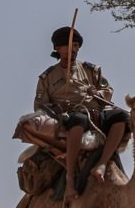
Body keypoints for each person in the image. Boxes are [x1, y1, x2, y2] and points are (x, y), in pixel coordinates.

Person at [32, 25, 128, 195]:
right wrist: (56, 111)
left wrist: (97, 93)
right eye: (68, 46)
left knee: (122, 116)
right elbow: (40, 107)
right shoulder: (47, 78)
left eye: (75, 46)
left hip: (97, 113)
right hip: (69, 117)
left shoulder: (92, 70)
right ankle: (70, 178)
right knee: (79, 120)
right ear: (57, 49)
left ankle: (102, 163)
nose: (73, 50)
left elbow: (107, 91)